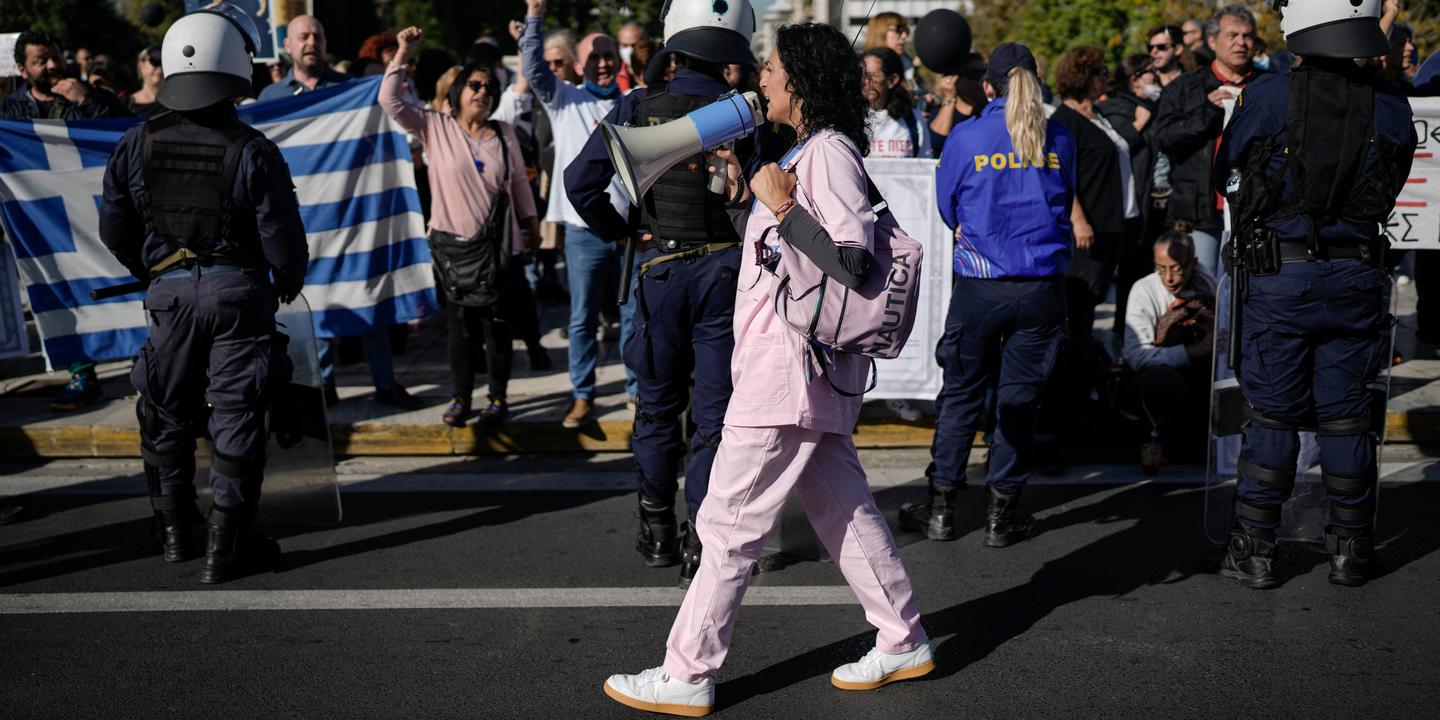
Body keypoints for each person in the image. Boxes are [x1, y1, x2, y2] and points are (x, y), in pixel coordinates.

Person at [603, 23, 931, 716]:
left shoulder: (827, 156)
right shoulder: (812, 152)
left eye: (774, 67)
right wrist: (746, 199)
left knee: (726, 524)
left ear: (801, 83)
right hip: (802, 375)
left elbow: (850, 258)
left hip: (786, 376)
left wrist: (780, 205)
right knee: (844, 513)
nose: (762, 77)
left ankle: (687, 671)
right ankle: (902, 638)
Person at [98, 3, 309, 584]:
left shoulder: (135, 143)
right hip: (239, 295)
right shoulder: (253, 148)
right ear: (234, 66)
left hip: (167, 297)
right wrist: (287, 281)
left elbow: (114, 229)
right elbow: (282, 240)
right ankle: (226, 548)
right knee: (238, 414)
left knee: (164, 410)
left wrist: (159, 273)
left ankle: (173, 535)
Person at [1215, 0, 1416, 589]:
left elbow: (1230, 171)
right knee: (1348, 416)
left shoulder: (1269, 96)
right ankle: (1352, 549)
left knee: (1273, 414)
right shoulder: (1392, 106)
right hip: (1357, 277)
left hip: (1283, 278)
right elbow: (1394, 181)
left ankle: (1255, 546)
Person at [565, 0, 757, 587]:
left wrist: (624, 232)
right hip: (726, 277)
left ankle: (655, 528)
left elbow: (580, 183)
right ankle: (704, 537)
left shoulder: (637, 106)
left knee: (655, 406)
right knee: (714, 419)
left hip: (660, 272)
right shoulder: (747, 111)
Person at [900, 42, 1075, 546]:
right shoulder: (1059, 135)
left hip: (980, 286)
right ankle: (1002, 514)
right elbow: (1066, 202)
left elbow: (948, 209)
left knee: (960, 395)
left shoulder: (967, 136)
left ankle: (941, 510)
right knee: (1019, 401)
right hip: (1041, 288)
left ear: (988, 86)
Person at [259, 15, 420, 408]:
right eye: (303, 36)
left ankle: (385, 384)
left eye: (317, 35)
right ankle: (322, 388)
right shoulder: (270, 100)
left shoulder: (351, 90)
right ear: (289, 46)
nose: (311, 42)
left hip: (351, 215)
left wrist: (401, 55)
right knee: (314, 305)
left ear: (326, 42)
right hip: (302, 222)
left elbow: (386, 116)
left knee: (369, 295)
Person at [383, 28, 539, 428]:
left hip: (496, 250)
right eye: (473, 85)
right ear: (457, 92)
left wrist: (530, 227)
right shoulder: (435, 127)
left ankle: (498, 399)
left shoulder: (504, 134)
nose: (482, 92)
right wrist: (403, 51)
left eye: (488, 87)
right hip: (452, 251)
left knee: (496, 328)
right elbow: (390, 100)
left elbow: (519, 184)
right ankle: (461, 398)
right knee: (460, 330)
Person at [518, 0, 635, 429]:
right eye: (594, 57)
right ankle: (582, 396)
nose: (603, 63)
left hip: (629, 231)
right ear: (579, 65)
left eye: (608, 55)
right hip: (584, 233)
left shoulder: (633, 102)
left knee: (633, 317)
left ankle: (636, 393)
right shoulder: (564, 99)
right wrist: (534, 16)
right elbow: (532, 68)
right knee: (582, 318)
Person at [2, 30, 130, 413]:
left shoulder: (94, 97)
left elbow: (130, 134)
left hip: (99, 215)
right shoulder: (11, 113)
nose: (54, 65)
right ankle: (82, 374)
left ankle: (146, 365)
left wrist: (87, 101)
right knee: (64, 297)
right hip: (48, 224)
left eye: (56, 56)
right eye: (42, 60)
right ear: (24, 70)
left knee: (124, 284)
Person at [1050, 46, 1135, 405]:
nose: (1106, 77)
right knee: (1079, 318)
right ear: (1083, 76)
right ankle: (1073, 398)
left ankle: (1086, 388)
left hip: (1116, 226)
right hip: (1087, 234)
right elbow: (1061, 177)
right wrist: (1079, 220)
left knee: (1092, 310)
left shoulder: (1100, 115)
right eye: (1100, 71)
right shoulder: (1063, 121)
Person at [1152, 4, 1261, 276]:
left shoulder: (1267, 86)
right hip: (1201, 212)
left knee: (1250, 292)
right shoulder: (1185, 87)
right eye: (1232, 35)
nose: (1241, 43)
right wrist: (1207, 111)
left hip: (1255, 209)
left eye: (1247, 36)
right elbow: (1164, 137)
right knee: (1206, 291)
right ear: (1212, 41)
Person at [1118, 224, 1215, 474]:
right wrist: (1192, 351)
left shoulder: (1206, 283)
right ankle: (1154, 439)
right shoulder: (1144, 290)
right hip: (1151, 374)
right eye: (1161, 269)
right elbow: (1137, 355)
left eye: (1176, 269)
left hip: (1196, 369)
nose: (1169, 278)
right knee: (1161, 380)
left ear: (1192, 264)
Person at [1099, 54, 1161, 348]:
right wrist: (1137, 126)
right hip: (1129, 212)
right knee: (1129, 277)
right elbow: (1114, 149)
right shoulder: (1116, 108)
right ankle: (1123, 342)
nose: (1156, 78)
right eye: (1150, 73)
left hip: (1153, 207)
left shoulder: (1150, 108)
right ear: (1134, 78)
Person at [128, 44, 165, 118]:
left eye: (164, 62)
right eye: (154, 61)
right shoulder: (127, 103)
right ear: (141, 65)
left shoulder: (178, 102)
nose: (160, 67)